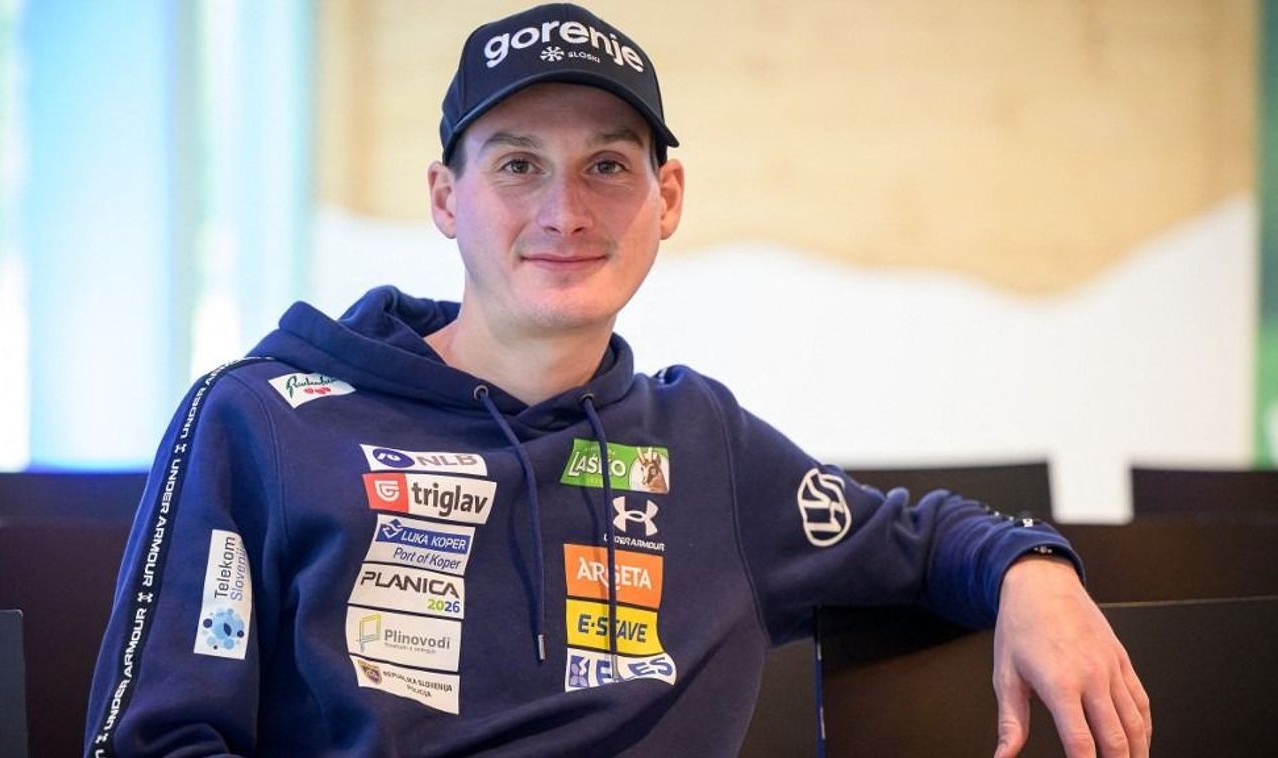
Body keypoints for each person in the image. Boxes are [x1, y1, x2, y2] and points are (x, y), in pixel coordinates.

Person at [86, 4, 1150, 756]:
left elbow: (921, 540)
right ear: (446, 197)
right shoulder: (261, 420)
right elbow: (157, 738)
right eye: (518, 165)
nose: (565, 212)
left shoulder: (706, 443)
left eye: (606, 166)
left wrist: (1034, 570)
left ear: (666, 197)